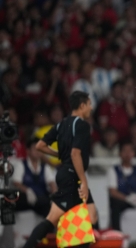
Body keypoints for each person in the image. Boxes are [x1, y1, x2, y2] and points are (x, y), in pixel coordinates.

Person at [23, 91, 98, 248]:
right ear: (82, 105)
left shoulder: (61, 124)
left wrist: (59, 154)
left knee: (89, 217)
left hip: (65, 173)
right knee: (76, 219)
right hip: (73, 176)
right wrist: (83, 181)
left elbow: (40, 146)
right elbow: (75, 153)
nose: (91, 108)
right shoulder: (83, 125)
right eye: (89, 104)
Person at [13, 138, 57, 218]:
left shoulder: (45, 167)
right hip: (26, 199)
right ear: (28, 151)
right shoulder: (21, 164)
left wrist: (54, 194)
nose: (37, 152)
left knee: (50, 204)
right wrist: (28, 191)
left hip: (41, 199)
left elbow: (51, 182)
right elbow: (16, 183)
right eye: (35, 149)